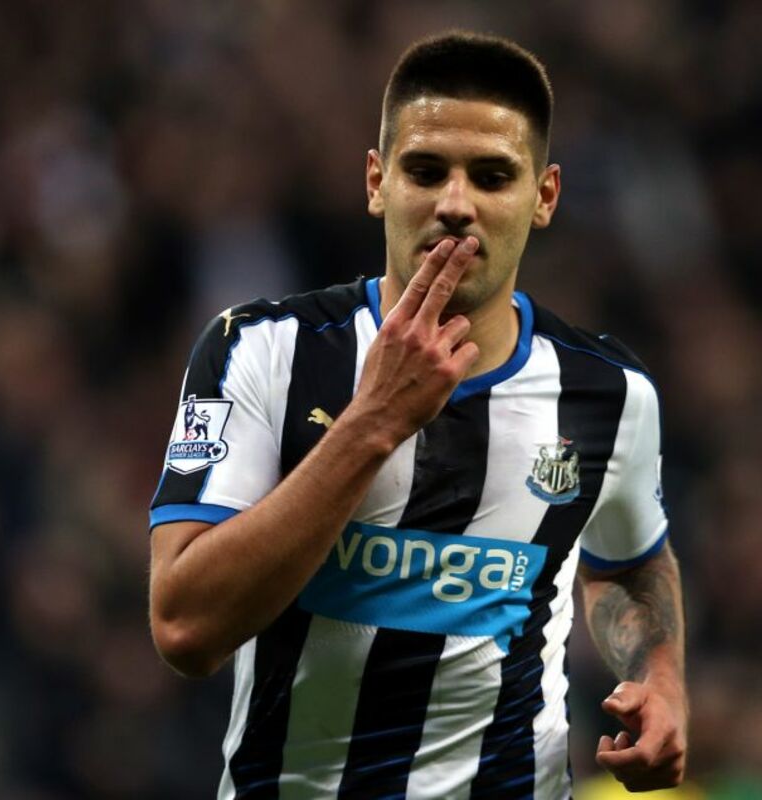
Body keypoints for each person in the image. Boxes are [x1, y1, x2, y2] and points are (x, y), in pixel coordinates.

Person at [148, 31, 687, 798]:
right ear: (377, 182)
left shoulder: (609, 393)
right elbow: (185, 629)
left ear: (544, 197)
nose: (456, 205)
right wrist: (371, 423)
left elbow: (629, 564)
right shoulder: (261, 351)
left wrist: (658, 676)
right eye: (426, 171)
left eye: (492, 176)